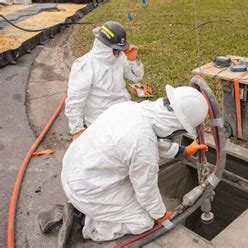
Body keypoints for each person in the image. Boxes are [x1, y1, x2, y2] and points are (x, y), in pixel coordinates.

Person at [57, 85, 209, 243]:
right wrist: (161, 215)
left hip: (75, 171)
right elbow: (145, 190)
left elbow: (150, 139)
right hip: (89, 190)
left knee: (136, 191)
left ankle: (87, 208)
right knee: (143, 222)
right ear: (175, 126)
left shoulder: (131, 108)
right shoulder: (142, 144)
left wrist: (183, 151)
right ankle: (87, 225)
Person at [65, 21, 144, 141]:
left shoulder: (119, 58)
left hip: (124, 109)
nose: (119, 53)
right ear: (104, 47)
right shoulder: (85, 66)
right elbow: (75, 101)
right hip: (100, 120)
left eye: (120, 49)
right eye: (116, 50)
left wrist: (133, 60)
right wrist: (77, 130)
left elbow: (136, 77)